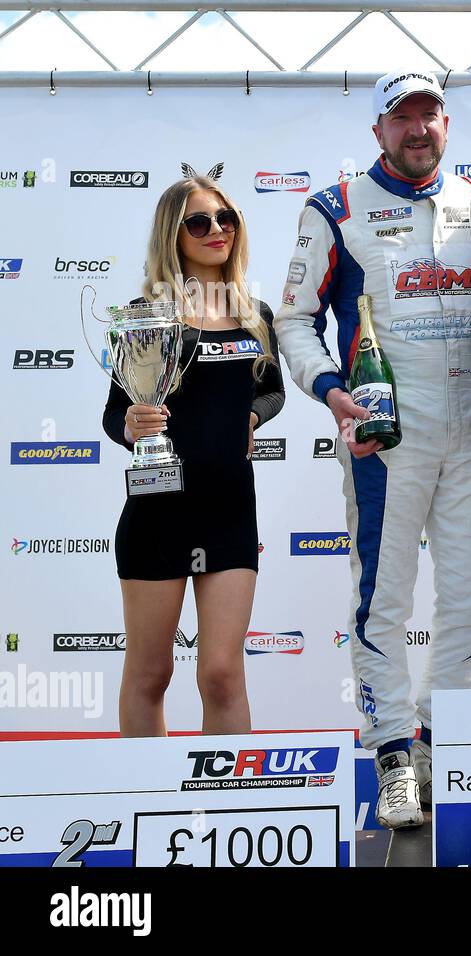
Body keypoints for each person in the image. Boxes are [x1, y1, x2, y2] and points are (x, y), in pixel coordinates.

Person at [274, 71, 471, 829]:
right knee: (385, 600)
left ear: (446, 125)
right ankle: (393, 758)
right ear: (377, 130)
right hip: (384, 439)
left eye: (430, 115)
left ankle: (441, 746)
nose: (418, 129)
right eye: (402, 117)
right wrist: (334, 392)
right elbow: (294, 321)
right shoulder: (335, 208)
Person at [103, 174, 283, 737]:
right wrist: (132, 424)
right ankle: (144, 808)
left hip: (230, 510)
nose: (216, 230)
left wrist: (255, 415)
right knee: (151, 674)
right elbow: (114, 413)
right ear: (172, 234)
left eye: (226, 218)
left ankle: (228, 813)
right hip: (158, 511)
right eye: (199, 222)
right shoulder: (146, 314)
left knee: (224, 675)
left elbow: (271, 390)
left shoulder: (255, 314)